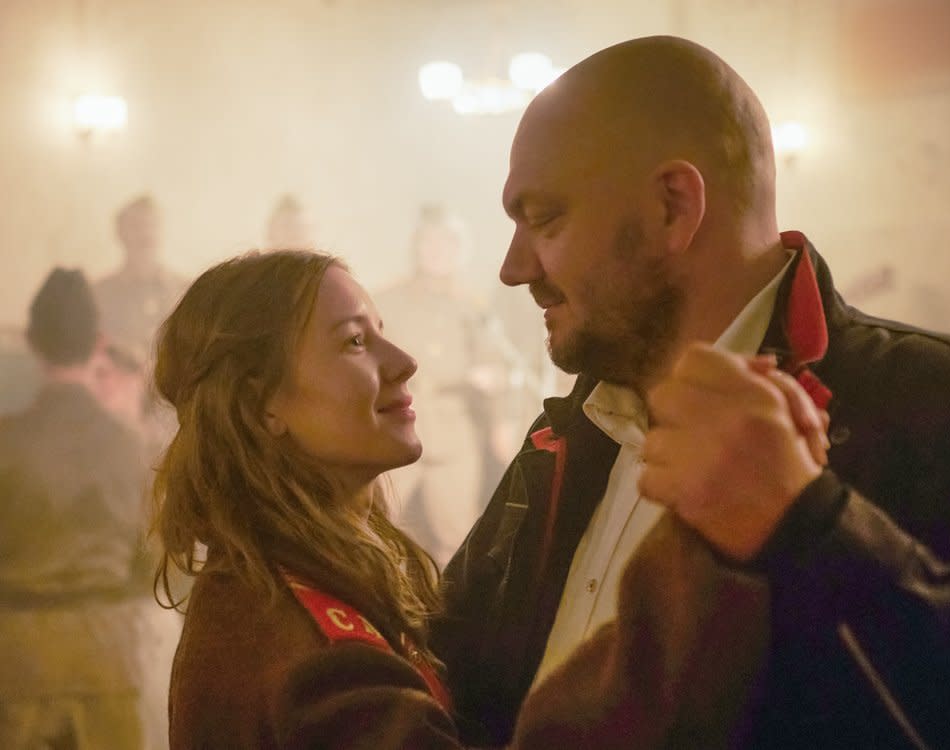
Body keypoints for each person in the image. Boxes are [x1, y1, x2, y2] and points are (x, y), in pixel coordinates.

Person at [432, 35, 950, 749]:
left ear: (674, 206)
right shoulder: (571, 433)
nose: (514, 269)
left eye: (543, 219)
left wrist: (812, 524)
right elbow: (463, 675)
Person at [156, 248, 811, 749]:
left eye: (381, 331)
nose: (403, 360)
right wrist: (707, 538)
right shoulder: (298, 641)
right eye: (355, 341)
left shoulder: (289, 581)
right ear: (261, 404)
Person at [0, 268, 173, 750]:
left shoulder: (4, 443)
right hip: (110, 659)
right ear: (98, 342)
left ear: (33, 342)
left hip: (18, 662)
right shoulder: (134, 450)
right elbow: (152, 562)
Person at [374, 204, 502, 565]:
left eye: (448, 243)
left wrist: (491, 384)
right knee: (376, 527)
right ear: (415, 247)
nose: (437, 252)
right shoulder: (386, 301)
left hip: (453, 437)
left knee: (458, 538)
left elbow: (497, 361)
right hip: (395, 428)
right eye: (429, 242)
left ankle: (452, 616)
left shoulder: (472, 307)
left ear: (461, 251)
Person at [94, 194, 189, 357]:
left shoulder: (185, 290)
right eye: (136, 226)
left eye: (152, 225)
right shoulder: (99, 295)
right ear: (120, 233)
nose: (146, 234)